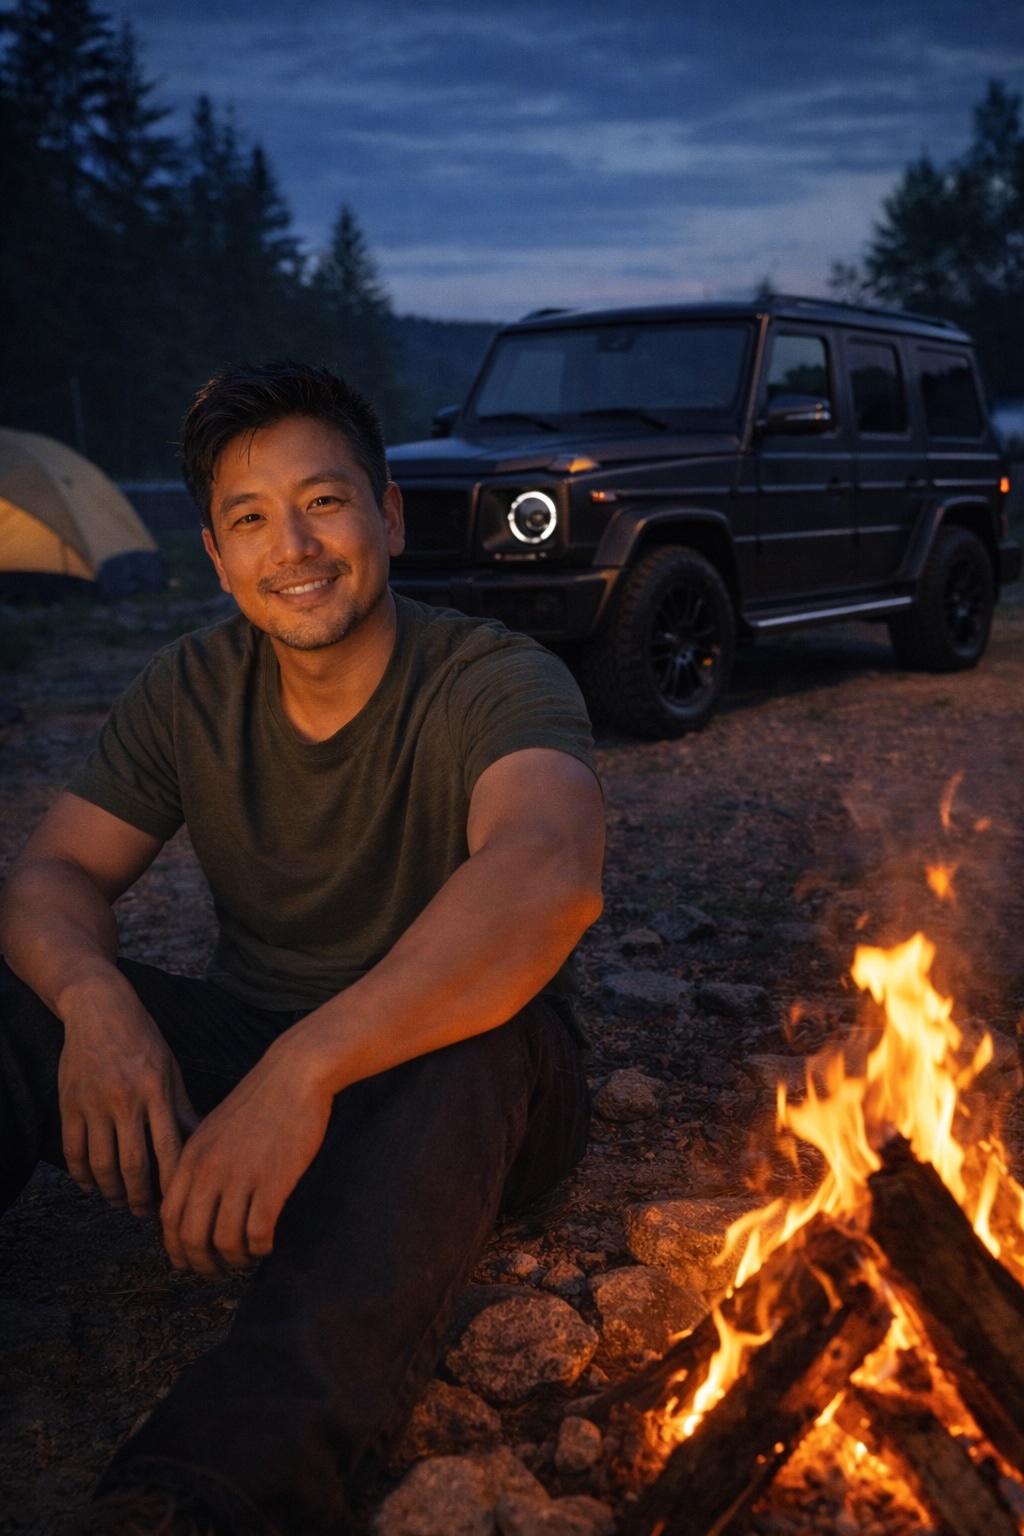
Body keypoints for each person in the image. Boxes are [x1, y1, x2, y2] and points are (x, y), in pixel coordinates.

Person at [0, 361, 605, 1536]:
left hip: (465, 1083)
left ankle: (209, 1492)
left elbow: (545, 870)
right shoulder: (192, 686)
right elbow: (53, 875)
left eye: (324, 501)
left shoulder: (491, 675)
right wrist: (95, 1003)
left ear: (387, 510)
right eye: (250, 518)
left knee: (485, 1038)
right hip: (258, 1068)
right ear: (219, 557)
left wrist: (305, 1070)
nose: (296, 546)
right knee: (21, 989)